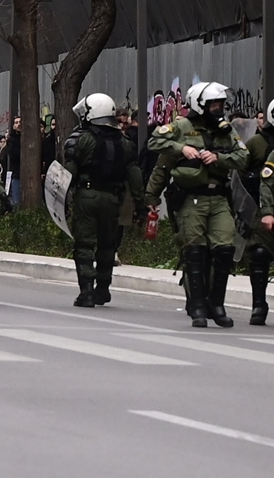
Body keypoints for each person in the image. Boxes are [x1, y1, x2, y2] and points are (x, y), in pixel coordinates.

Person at [147, 81, 250, 329]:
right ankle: (197, 305)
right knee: (195, 251)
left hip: (218, 198)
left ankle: (217, 303)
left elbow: (242, 157)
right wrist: (182, 147)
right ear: (200, 104)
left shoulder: (226, 130)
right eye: (213, 104)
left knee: (225, 248)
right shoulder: (182, 126)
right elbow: (154, 142)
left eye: (221, 104)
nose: (218, 108)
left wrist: (219, 158)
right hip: (191, 199)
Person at [60, 93, 142, 308]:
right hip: (113, 198)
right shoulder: (125, 142)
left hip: (87, 196)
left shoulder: (80, 139)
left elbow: (69, 172)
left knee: (85, 244)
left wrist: (62, 198)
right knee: (108, 244)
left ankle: (86, 291)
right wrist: (141, 205)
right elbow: (134, 175)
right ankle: (103, 289)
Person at [244, 102, 274, 325]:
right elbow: (266, 182)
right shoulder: (257, 143)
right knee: (260, 254)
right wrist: (267, 212)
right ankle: (258, 304)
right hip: (265, 209)